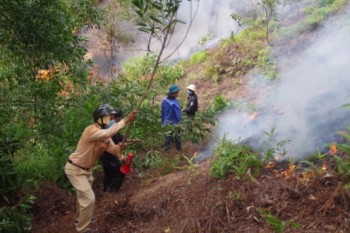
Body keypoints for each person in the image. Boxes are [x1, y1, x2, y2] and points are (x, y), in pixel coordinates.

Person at [64, 104, 137, 232]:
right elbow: (109, 131)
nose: (110, 120)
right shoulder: (91, 130)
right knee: (89, 199)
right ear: (100, 118)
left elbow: (113, 149)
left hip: (86, 171)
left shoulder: (105, 137)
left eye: (111, 118)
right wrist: (125, 120)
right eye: (108, 117)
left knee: (83, 198)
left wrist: (120, 149)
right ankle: (82, 229)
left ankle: (81, 218)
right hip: (75, 169)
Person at [99, 108, 135, 193]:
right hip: (108, 155)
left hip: (105, 154)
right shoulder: (112, 126)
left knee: (109, 172)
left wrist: (132, 140)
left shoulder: (111, 126)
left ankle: (106, 190)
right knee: (120, 170)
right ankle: (112, 191)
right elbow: (112, 144)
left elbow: (121, 138)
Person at [161, 84, 182, 151]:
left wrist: (162, 121)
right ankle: (179, 150)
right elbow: (178, 116)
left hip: (166, 122)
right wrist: (181, 123)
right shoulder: (174, 103)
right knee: (177, 138)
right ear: (173, 93)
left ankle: (165, 149)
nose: (178, 93)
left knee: (167, 138)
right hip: (174, 123)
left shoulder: (164, 100)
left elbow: (162, 112)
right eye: (177, 92)